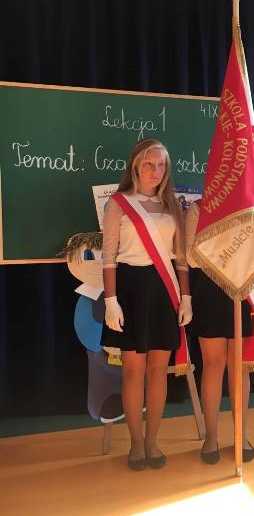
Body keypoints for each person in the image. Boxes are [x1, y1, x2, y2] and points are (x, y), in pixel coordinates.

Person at [101, 139, 192, 471]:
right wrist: (111, 301)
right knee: (133, 371)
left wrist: (186, 297)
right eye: (149, 164)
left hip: (164, 290)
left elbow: (180, 259)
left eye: (161, 165)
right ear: (136, 167)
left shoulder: (173, 207)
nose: (156, 170)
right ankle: (136, 443)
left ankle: (152, 441)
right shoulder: (118, 204)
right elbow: (108, 257)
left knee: (158, 371)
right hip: (130, 290)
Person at [185, 200, 254, 464]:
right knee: (213, 364)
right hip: (209, 291)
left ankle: (242, 434)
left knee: (239, 367)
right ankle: (211, 437)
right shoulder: (197, 209)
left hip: (242, 290)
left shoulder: (250, 205)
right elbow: (191, 256)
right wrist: (229, 253)